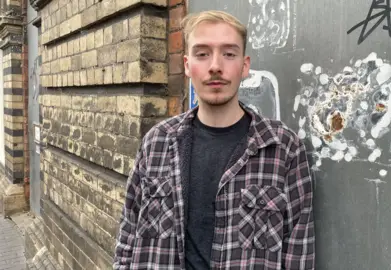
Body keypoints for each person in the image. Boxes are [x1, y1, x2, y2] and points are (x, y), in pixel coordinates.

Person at [113, 10, 315, 270]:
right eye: (202, 53)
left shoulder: (282, 149)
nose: (215, 66)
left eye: (229, 53)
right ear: (187, 65)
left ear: (244, 65)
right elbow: (128, 236)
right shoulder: (157, 143)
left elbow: (299, 253)